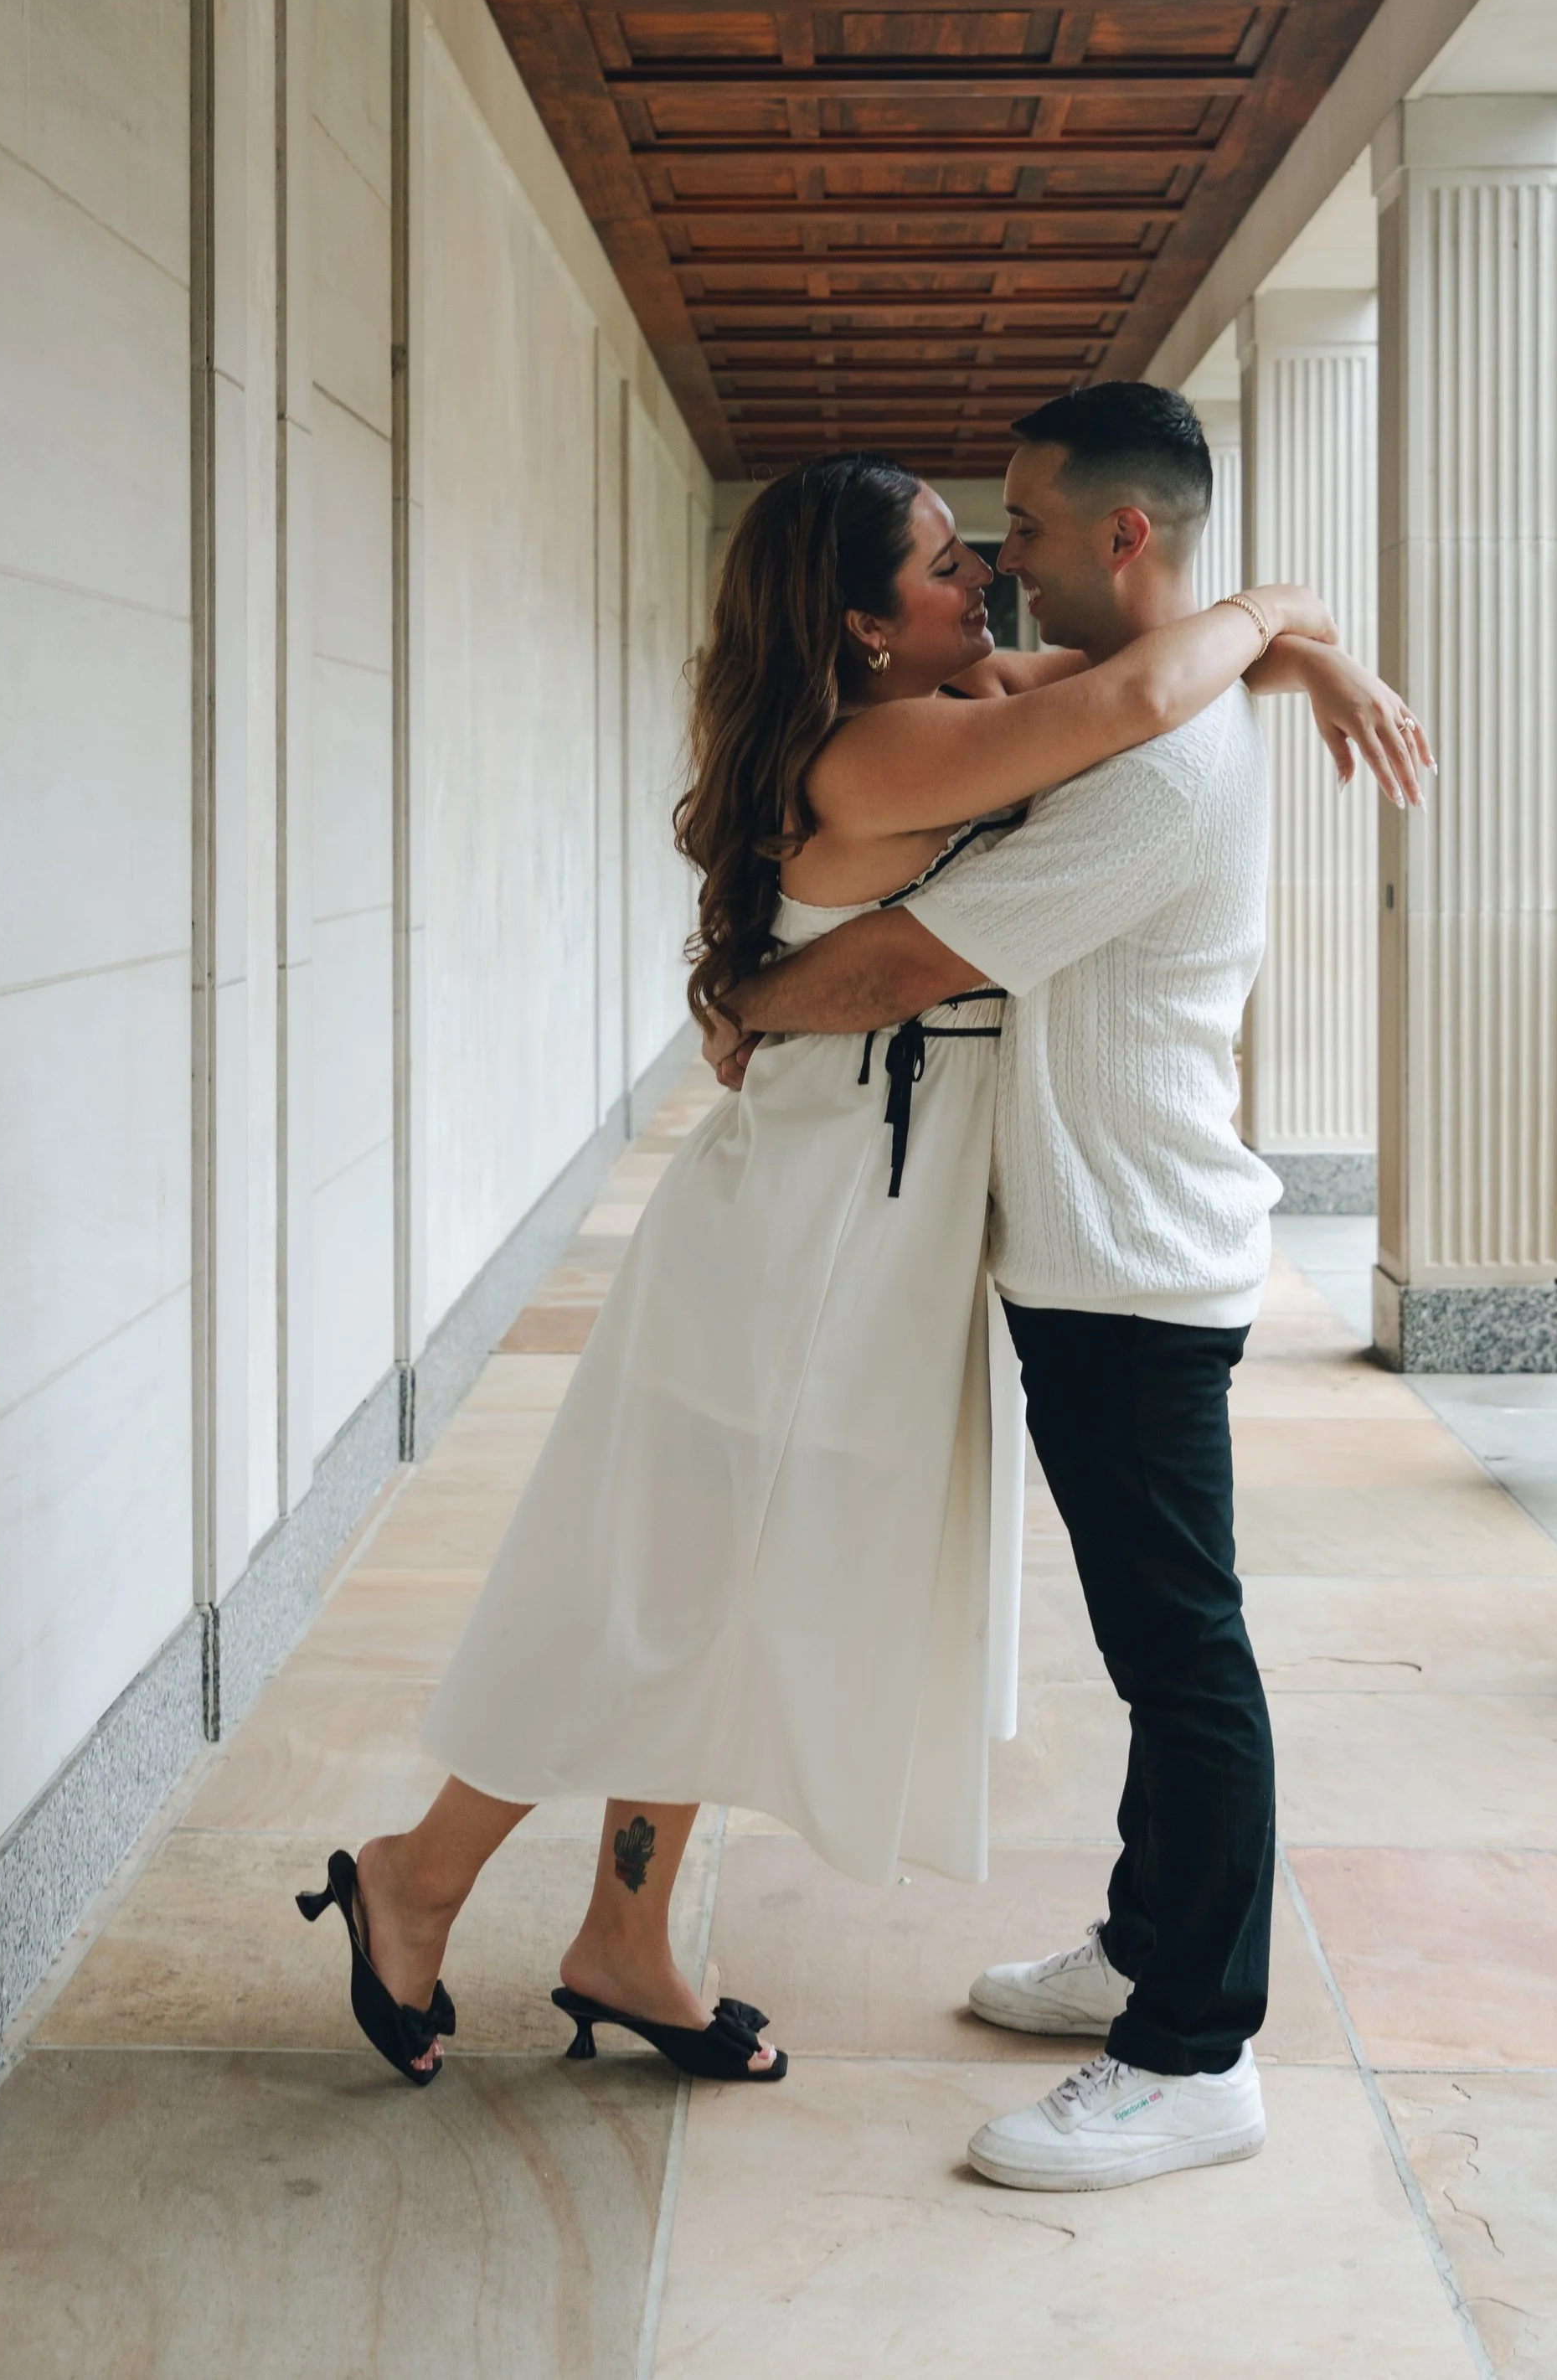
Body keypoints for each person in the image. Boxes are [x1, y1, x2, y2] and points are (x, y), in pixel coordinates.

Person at [300, 441, 1420, 2093]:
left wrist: (1306, 648)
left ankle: (624, 1935)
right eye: (942, 560)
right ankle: (419, 1874)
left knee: (713, 1590)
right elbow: (1134, 699)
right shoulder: (885, 746)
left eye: (986, 546)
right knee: (657, 1590)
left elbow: (1157, 670)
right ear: (863, 624)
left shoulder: (954, 702)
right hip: (795, 1239)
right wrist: (1275, 618)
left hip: (852, 1227)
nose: (984, 572)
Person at [705, 383, 1431, 2192]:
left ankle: (1194, 2052)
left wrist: (742, 1001)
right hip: (1098, 1245)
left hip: (1133, 1259)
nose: (1000, 555)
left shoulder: (1158, 767)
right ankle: (1141, 1942)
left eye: (1021, 526)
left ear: (1121, 533)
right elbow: (1169, 664)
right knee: (1154, 1642)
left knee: (1182, 1657)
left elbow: (908, 961)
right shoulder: (1138, 706)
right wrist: (1299, 638)